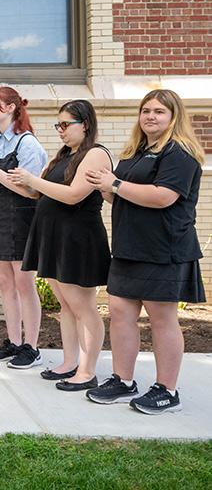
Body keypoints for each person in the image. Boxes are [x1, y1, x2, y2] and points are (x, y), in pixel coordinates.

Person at [85, 89, 205, 414]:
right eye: (146, 110)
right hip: (128, 246)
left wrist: (115, 185)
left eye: (159, 112)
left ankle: (167, 390)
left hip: (163, 249)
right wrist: (104, 186)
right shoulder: (136, 152)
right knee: (121, 312)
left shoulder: (179, 154)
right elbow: (121, 195)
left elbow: (163, 197)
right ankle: (124, 381)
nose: (150, 116)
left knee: (161, 319)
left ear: (173, 117)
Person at [9, 100, 111, 391]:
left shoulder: (95, 154)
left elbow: (74, 195)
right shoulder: (64, 156)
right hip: (53, 237)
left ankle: (88, 370)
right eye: (58, 126)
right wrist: (20, 180)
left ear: (86, 124)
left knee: (83, 306)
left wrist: (34, 181)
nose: (61, 131)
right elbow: (38, 192)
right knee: (66, 305)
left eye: (66, 125)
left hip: (78, 240)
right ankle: (69, 362)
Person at [0, 86, 48, 369]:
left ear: (12, 107)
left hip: (23, 217)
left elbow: (30, 191)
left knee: (24, 284)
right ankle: (13, 341)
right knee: (5, 283)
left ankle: (32, 346)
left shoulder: (28, 144)